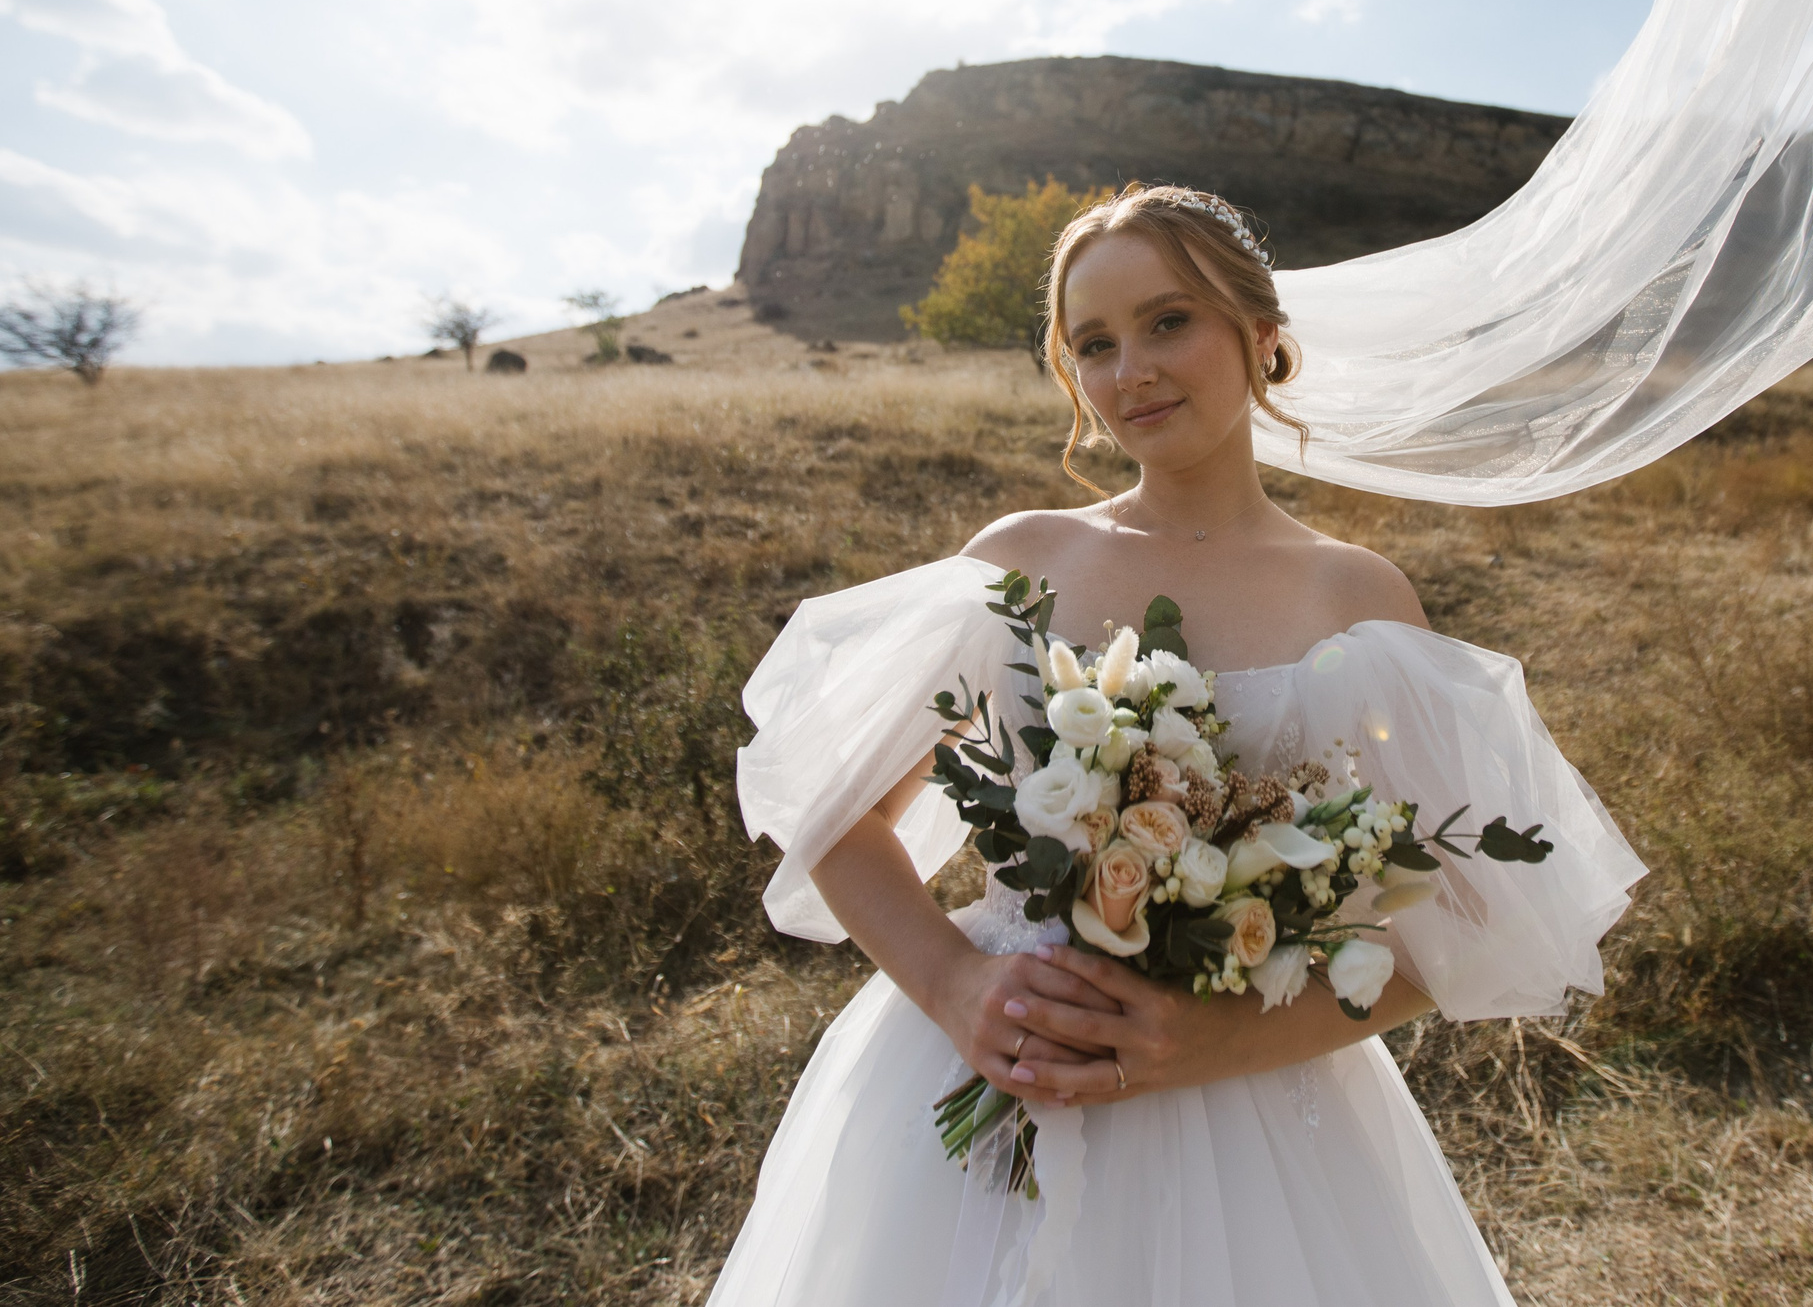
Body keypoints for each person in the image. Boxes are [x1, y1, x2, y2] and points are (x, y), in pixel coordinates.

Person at [706, 185, 1647, 1307]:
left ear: (1260, 337)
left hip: (1253, 1111)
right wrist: (957, 983)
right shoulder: (1023, 558)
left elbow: (1465, 924)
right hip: (996, 1059)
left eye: (1167, 321)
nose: (1130, 370)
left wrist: (1214, 1043)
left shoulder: (1351, 592)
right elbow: (835, 813)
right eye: (1093, 343)